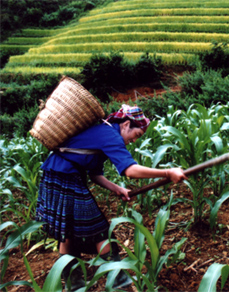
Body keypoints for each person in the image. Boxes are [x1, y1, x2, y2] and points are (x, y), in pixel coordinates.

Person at [35, 104, 187, 291]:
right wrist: (167, 173)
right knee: (101, 233)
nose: (134, 141)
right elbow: (129, 170)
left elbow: (94, 174)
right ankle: (119, 284)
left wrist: (116, 189)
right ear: (125, 124)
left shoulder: (103, 132)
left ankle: (75, 286)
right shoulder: (110, 135)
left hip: (55, 176)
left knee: (68, 234)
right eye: (136, 134)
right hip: (66, 178)